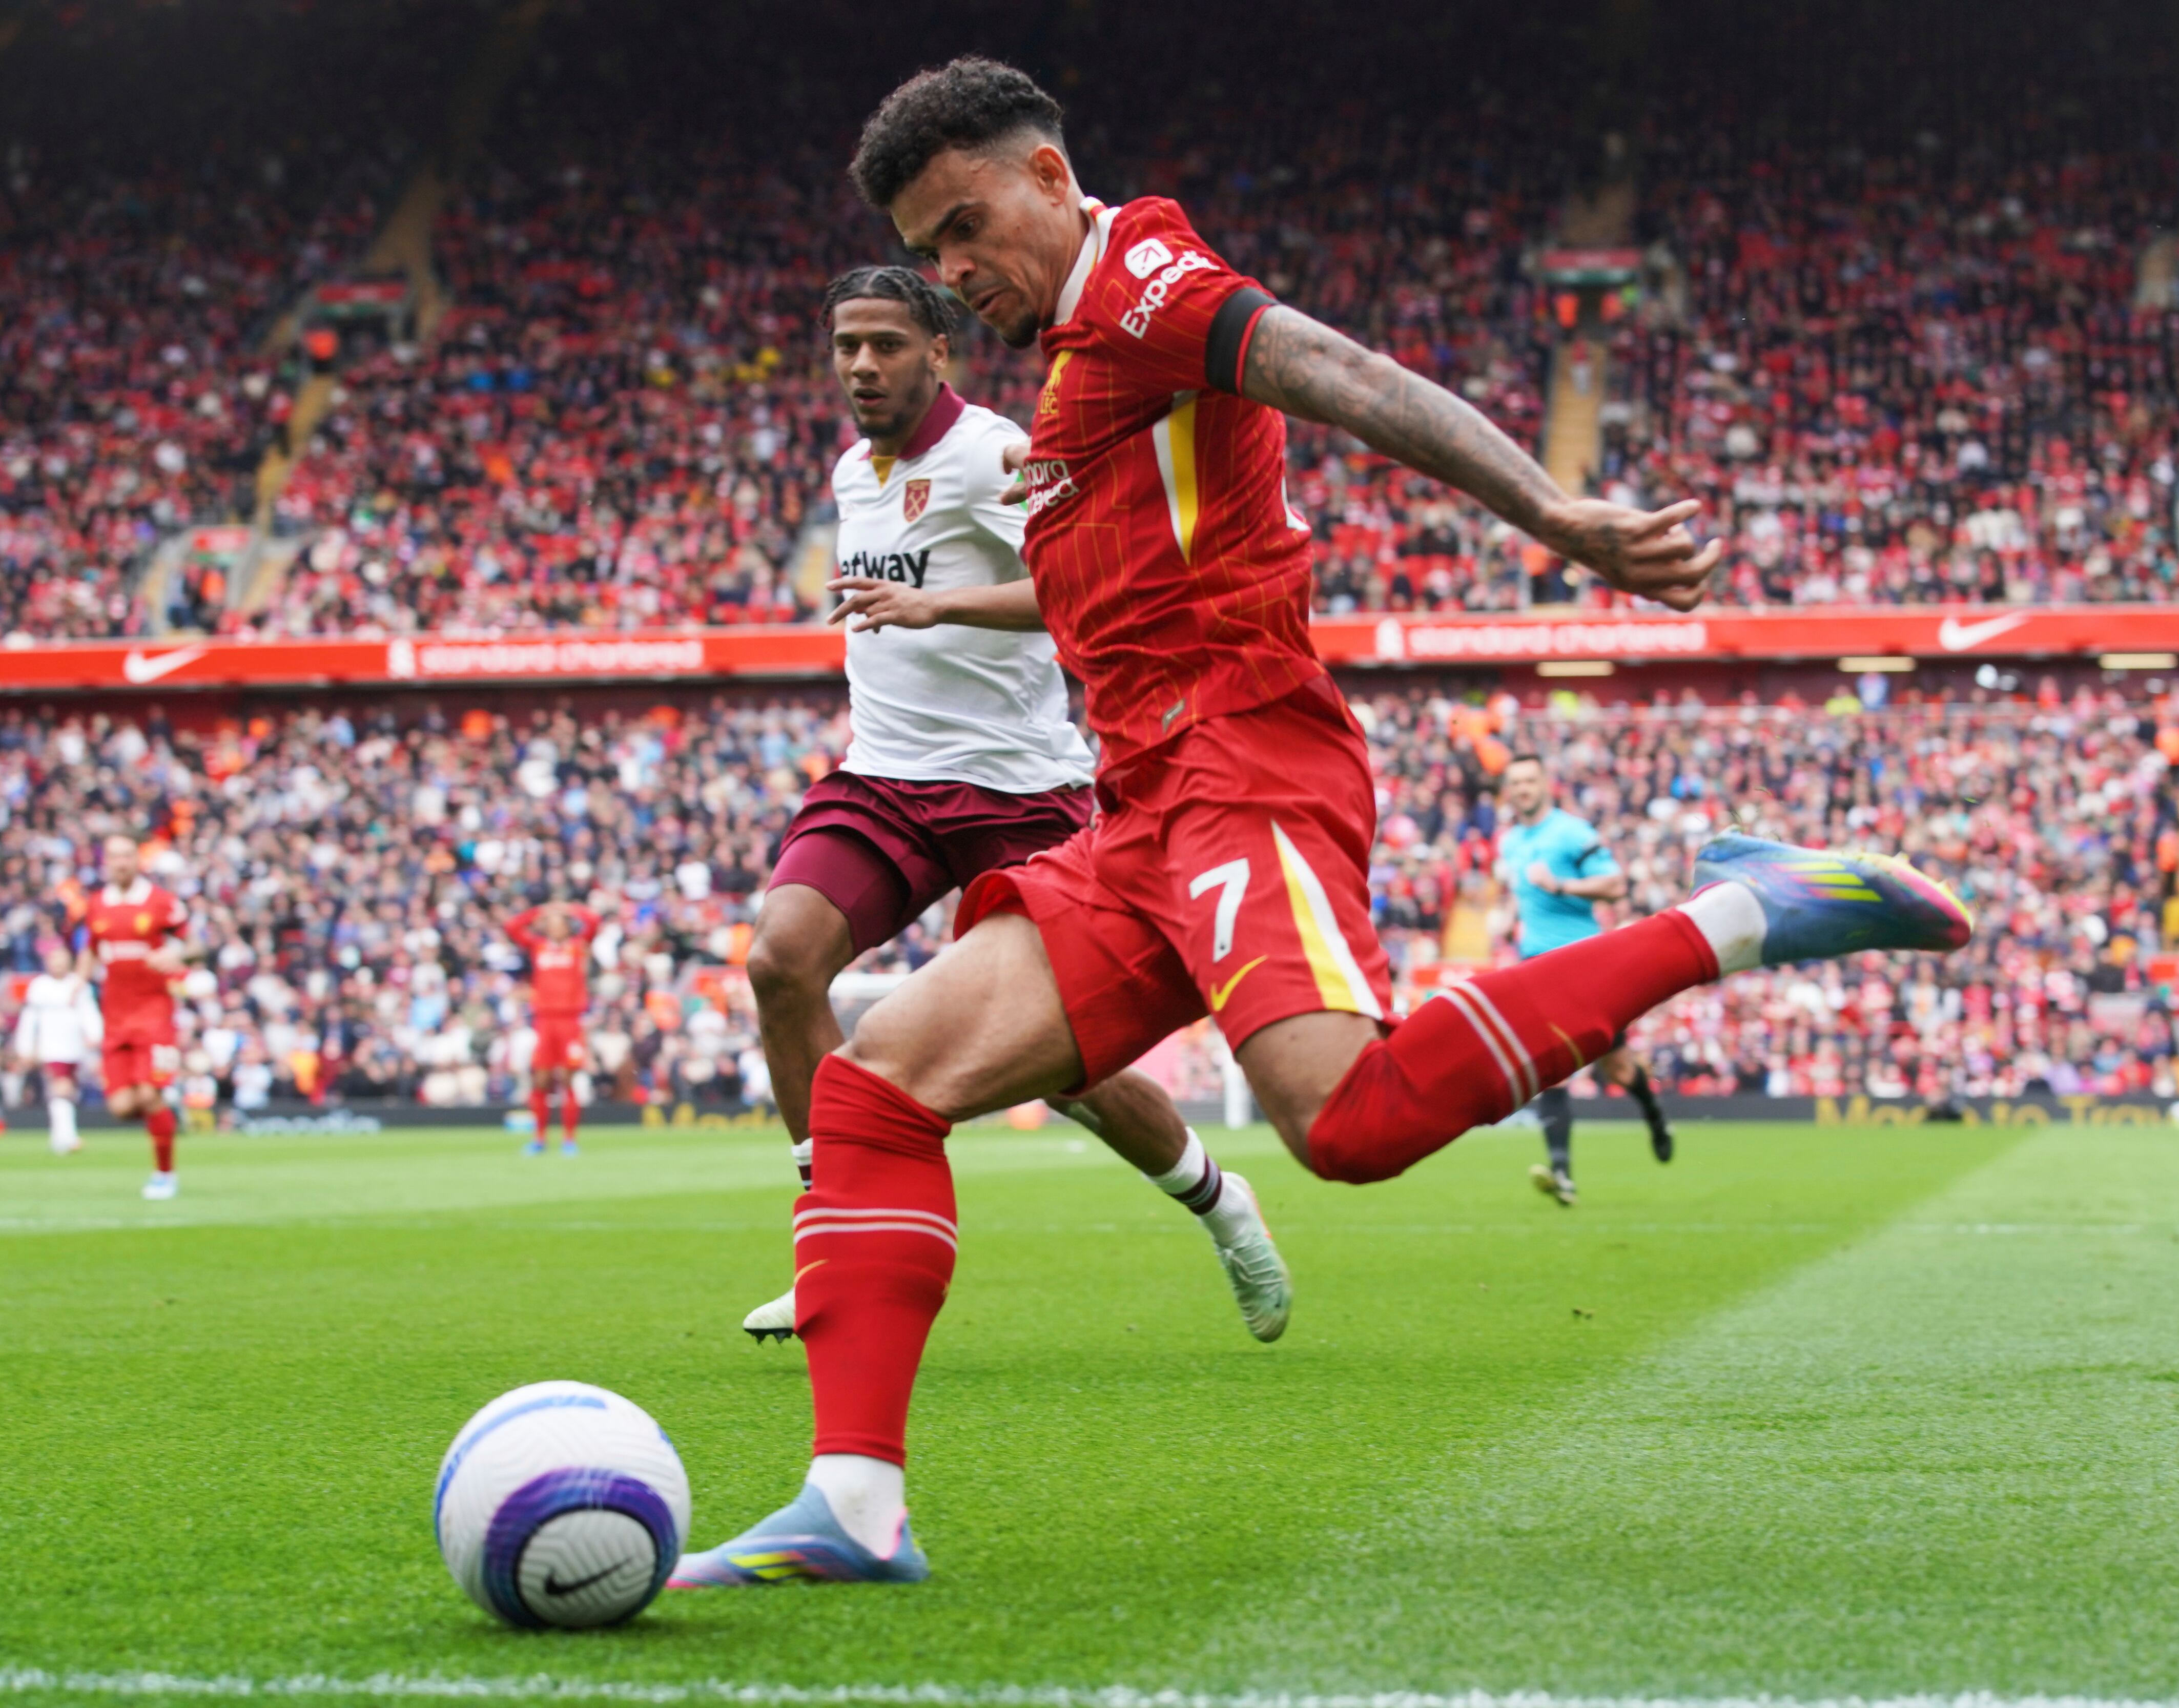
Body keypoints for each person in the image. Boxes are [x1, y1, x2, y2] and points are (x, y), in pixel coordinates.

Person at [668, 58, 1975, 1591]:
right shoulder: (1077, 363)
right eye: (927, 249)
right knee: (874, 1092)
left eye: (965, 229)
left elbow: (1335, 370)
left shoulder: (1142, 276)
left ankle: (1752, 909)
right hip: (1138, 804)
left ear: (1043, 178)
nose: (953, 275)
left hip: (1238, 762)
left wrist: (1552, 515)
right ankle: (853, 1508)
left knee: (1344, 1125)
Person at [737, 263, 1289, 1348]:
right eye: (846, 344)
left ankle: (1222, 1204)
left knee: (1073, 1073)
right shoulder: (855, 470)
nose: (861, 364)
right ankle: (830, 1243)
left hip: (1019, 792)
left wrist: (937, 599)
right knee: (778, 961)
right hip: (888, 779)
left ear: (938, 349)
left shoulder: (997, 455)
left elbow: (1086, 580)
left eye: (886, 344)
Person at [1494, 753, 1674, 1205]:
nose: (1522, 789)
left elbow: (1615, 885)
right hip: (1536, 969)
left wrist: (1560, 886)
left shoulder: (1571, 832)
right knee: (1550, 1072)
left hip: (1584, 964)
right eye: (1515, 782)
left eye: (1530, 780)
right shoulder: (1511, 841)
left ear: (1545, 784)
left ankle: (1653, 1113)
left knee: (1617, 1068)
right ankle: (1563, 1175)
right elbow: (1526, 897)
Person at [82, 836, 191, 1200]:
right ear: (106, 862)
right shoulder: (97, 904)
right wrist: (77, 984)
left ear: (138, 860)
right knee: (121, 1106)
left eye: (128, 855)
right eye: (114, 856)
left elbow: (196, 944)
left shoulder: (160, 901)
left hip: (154, 1013)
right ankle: (168, 1116)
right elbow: (91, 950)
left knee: (148, 1094)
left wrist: (178, 957)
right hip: (115, 1017)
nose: (122, 862)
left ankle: (165, 1174)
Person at [504, 900, 601, 1155]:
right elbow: (512, 927)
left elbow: (594, 922)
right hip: (545, 1020)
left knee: (568, 1080)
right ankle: (540, 1138)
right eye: (551, 925)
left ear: (567, 927)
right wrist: (539, 911)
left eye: (559, 924)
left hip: (570, 1020)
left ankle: (569, 1139)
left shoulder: (578, 946)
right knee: (542, 1080)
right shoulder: (539, 947)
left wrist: (569, 908)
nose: (554, 929)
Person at [12, 944, 101, 1156]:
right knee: (62, 1087)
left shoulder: (78, 986)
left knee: (67, 1091)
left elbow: (89, 1012)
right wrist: (25, 1047)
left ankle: (59, 1136)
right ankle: (67, 1136)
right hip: (51, 1046)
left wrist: (96, 1035)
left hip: (75, 1045)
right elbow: (29, 1019)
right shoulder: (39, 986)